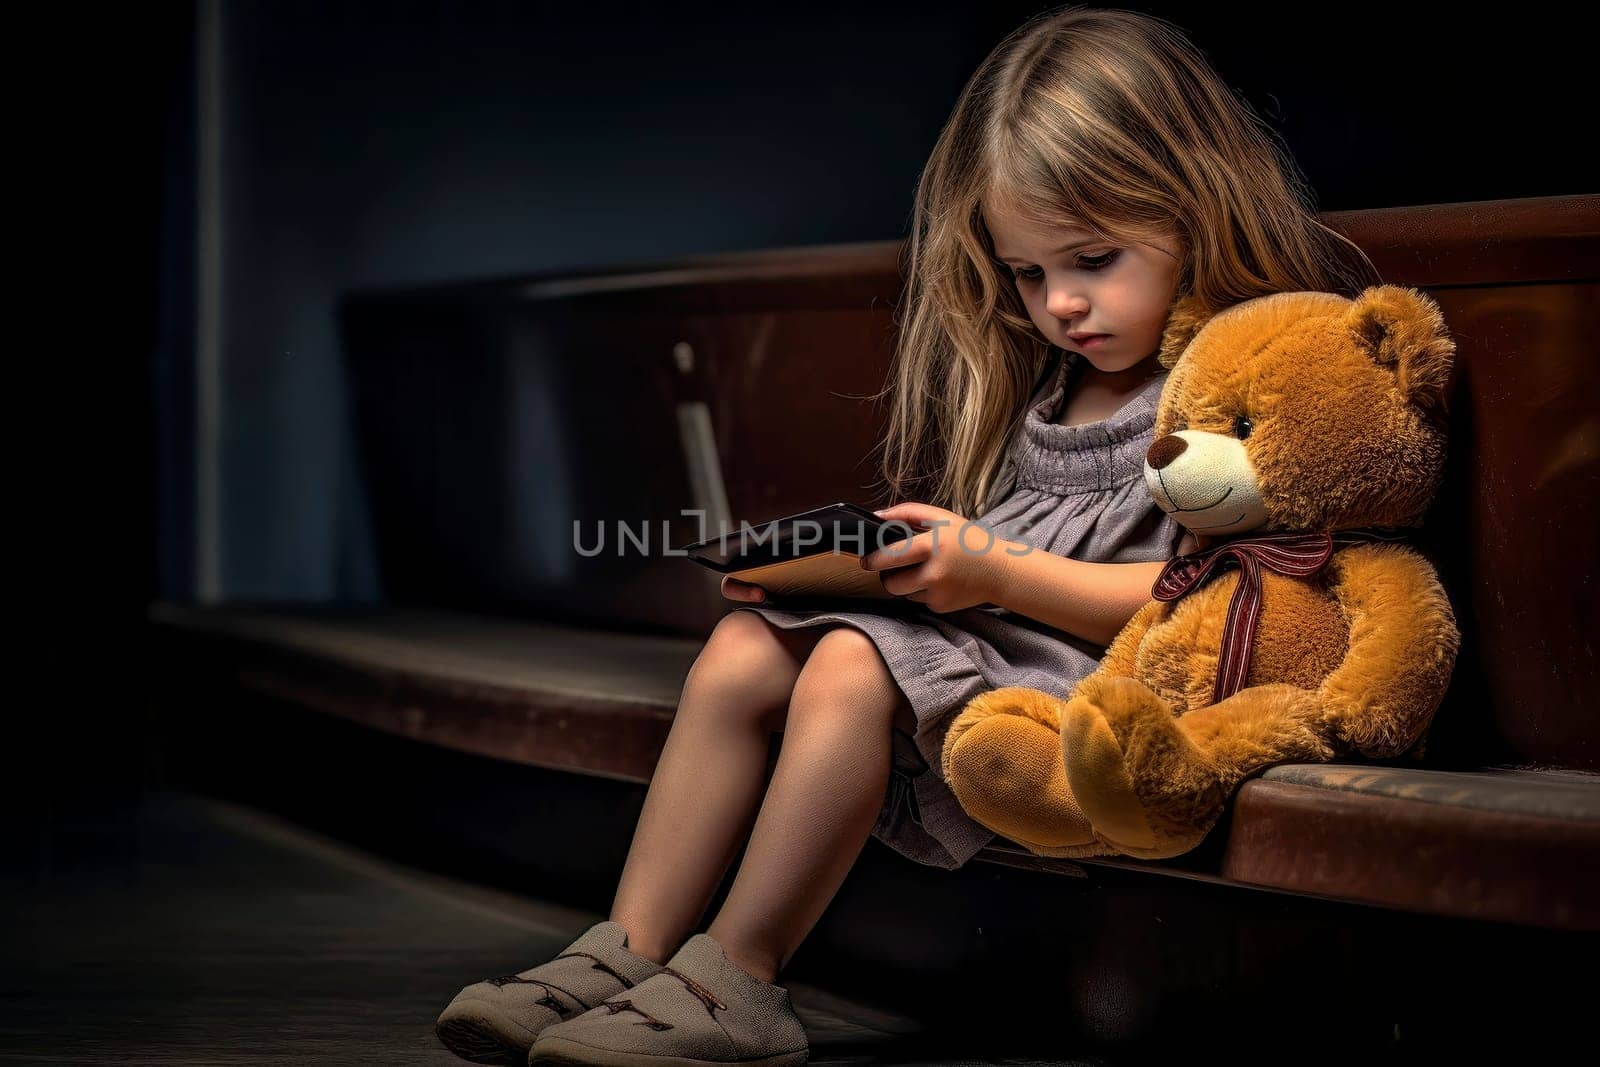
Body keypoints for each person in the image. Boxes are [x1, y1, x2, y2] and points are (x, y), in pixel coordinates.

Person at [437, 6, 1379, 1065]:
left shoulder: (1234, 380)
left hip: (1123, 681)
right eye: (1026, 273)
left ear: (1195, 204)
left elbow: (1203, 597)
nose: (1060, 303)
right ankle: (627, 948)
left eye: (1093, 258)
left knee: (845, 663)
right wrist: (890, 563)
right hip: (1010, 627)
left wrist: (989, 572)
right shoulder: (1057, 380)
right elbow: (1009, 548)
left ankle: (738, 978)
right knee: (746, 646)